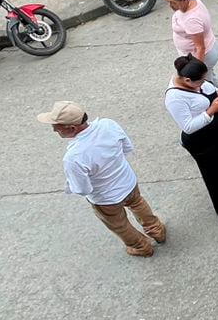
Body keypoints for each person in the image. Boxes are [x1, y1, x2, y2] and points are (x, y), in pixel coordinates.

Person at [40, 100, 165, 256]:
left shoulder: (74, 156)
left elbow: (82, 189)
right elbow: (127, 147)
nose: (53, 130)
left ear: (72, 128)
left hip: (106, 198)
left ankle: (141, 247)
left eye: (56, 127)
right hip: (128, 181)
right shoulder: (108, 124)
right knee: (138, 203)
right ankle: (157, 230)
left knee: (119, 224)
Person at [163, 55, 218, 229]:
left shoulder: (196, 82)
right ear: (187, 80)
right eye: (200, 81)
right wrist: (211, 110)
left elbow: (207, 90)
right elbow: (188, 126)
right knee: (213, 175)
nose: (203, 83)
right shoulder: (175, 98)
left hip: (216, 134)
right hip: (201, 141)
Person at [164, 0, 218, 67]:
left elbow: (200, 48)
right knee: (210, 77)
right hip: (208, 46)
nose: (170, 6)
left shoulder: (191, 21)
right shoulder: (192, 0)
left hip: (202, 57)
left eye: (173, 3)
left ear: (184, 0)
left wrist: (196, 69)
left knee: (204, 79)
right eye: (168, 2)